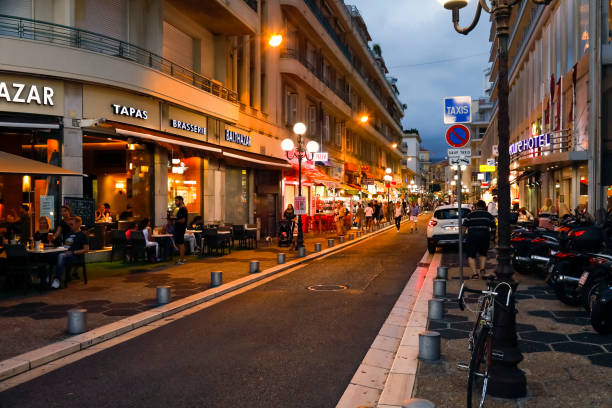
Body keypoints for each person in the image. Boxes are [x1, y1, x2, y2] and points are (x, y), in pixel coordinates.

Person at [51, 216, 89, 289]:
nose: (70, 226)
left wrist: (73, 252)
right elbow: (66, 246)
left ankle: (57, 279)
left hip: (76, 256)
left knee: (61, 256)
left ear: (78, 224)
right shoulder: (68, 234)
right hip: (66, 253)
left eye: (72, 224)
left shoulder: (82, 235)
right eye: (69, 225)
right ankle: (45, 277)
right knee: (50, 255)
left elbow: (86, 249)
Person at [462, 200, 496, 280]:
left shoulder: (470, 215)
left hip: (472, 237)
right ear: (484, 207)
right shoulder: (489, 215)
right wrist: (492, 237)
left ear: (476, 207)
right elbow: (494, 228)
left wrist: (462, 237)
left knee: (471, 255)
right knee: (483, 254)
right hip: (484, 237)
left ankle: (475, 274)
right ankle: (482, 270)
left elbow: (464, 227)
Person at [173, 196, 188, 265]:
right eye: (175, 201)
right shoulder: (180, 209)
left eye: (176, 201)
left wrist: (175, 220)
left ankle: (181, 260)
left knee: (180, 243)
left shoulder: (183, 209)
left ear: (181, 201)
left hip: (180, 228)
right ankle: (182, 258)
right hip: (178, 228)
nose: (175, 202)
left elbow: (183, 220)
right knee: (178, 243)